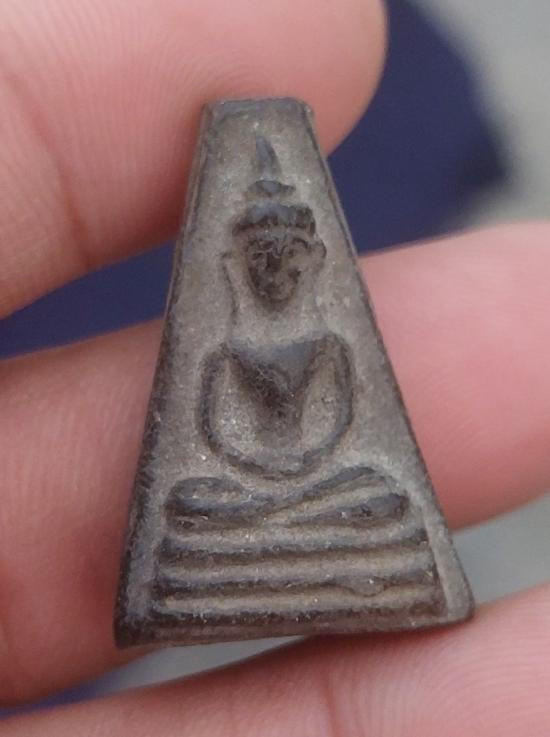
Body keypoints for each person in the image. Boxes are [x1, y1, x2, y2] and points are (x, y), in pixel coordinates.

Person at [1, 0, 549, 733]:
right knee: (189, 503)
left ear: (314, 258)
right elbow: (213, 440)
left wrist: (296, 484)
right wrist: (265, 490)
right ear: (235, 263)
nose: (275, 271)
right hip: (235, 501)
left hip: (323, 492)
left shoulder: (331, 347)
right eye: (259, 257)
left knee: (375, 491)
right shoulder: (223, 352)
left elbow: (340, 433)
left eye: (288, 256)